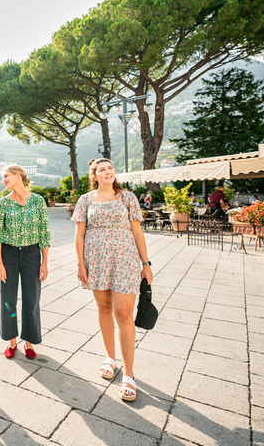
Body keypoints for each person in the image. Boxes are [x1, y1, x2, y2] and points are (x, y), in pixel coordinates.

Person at [72, 158, 153, 402]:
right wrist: (80, 264)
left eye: (110, 168)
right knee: (103, 308)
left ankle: (129, 374)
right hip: (96, 260)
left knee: (124, 314)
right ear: (94, 176)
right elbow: (79, 235)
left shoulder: (128, 197)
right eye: (101, 170)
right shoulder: (85, 200)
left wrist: (146, 264)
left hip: (125, 259)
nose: (107, 172)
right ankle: (110, 358)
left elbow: (137, 232)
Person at [0, 165, 50, 361]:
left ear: (18, 176)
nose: (4, 180)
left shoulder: (38, 201)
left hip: (32, 255)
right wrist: (0, 263)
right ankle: (12, 341)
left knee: (31, 299)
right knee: (8, 300)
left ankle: (30, 341)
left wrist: (44, 262)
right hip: (8, 255)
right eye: (3, 177)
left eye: (6, 176)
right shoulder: (2, 204)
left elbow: (44, 232)